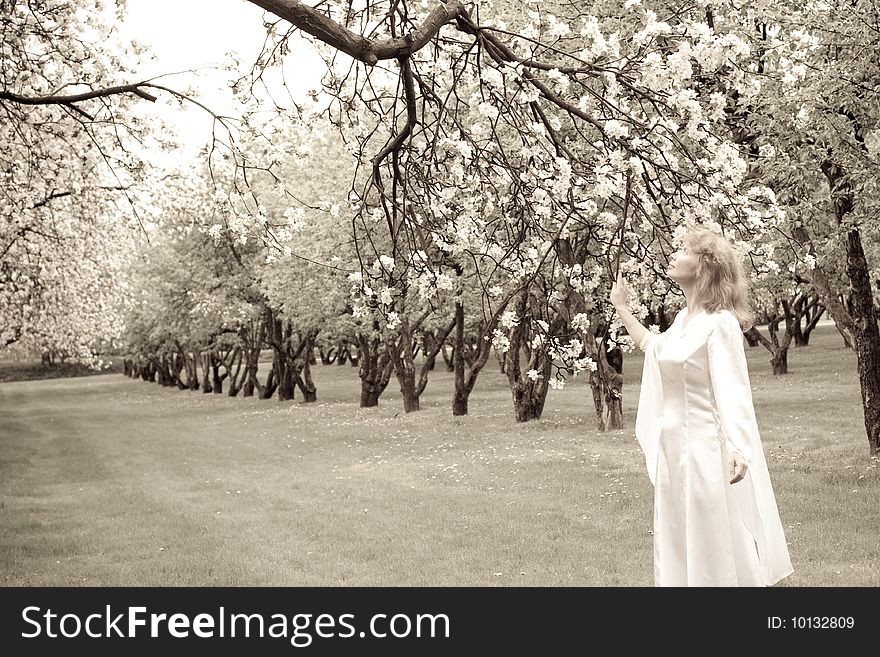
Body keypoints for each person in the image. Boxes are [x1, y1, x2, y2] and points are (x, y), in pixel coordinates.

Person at [610, 228, 793, 587]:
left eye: (683, 251)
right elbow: (652, 346)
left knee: (712, 532)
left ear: (703, 267)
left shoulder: (720, 323)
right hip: (672, 448)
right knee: (676, 531)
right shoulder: (681, 321)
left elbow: (733, 388)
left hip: (704, 447)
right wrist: (620, 307)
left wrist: (739, 447)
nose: (674, 255)